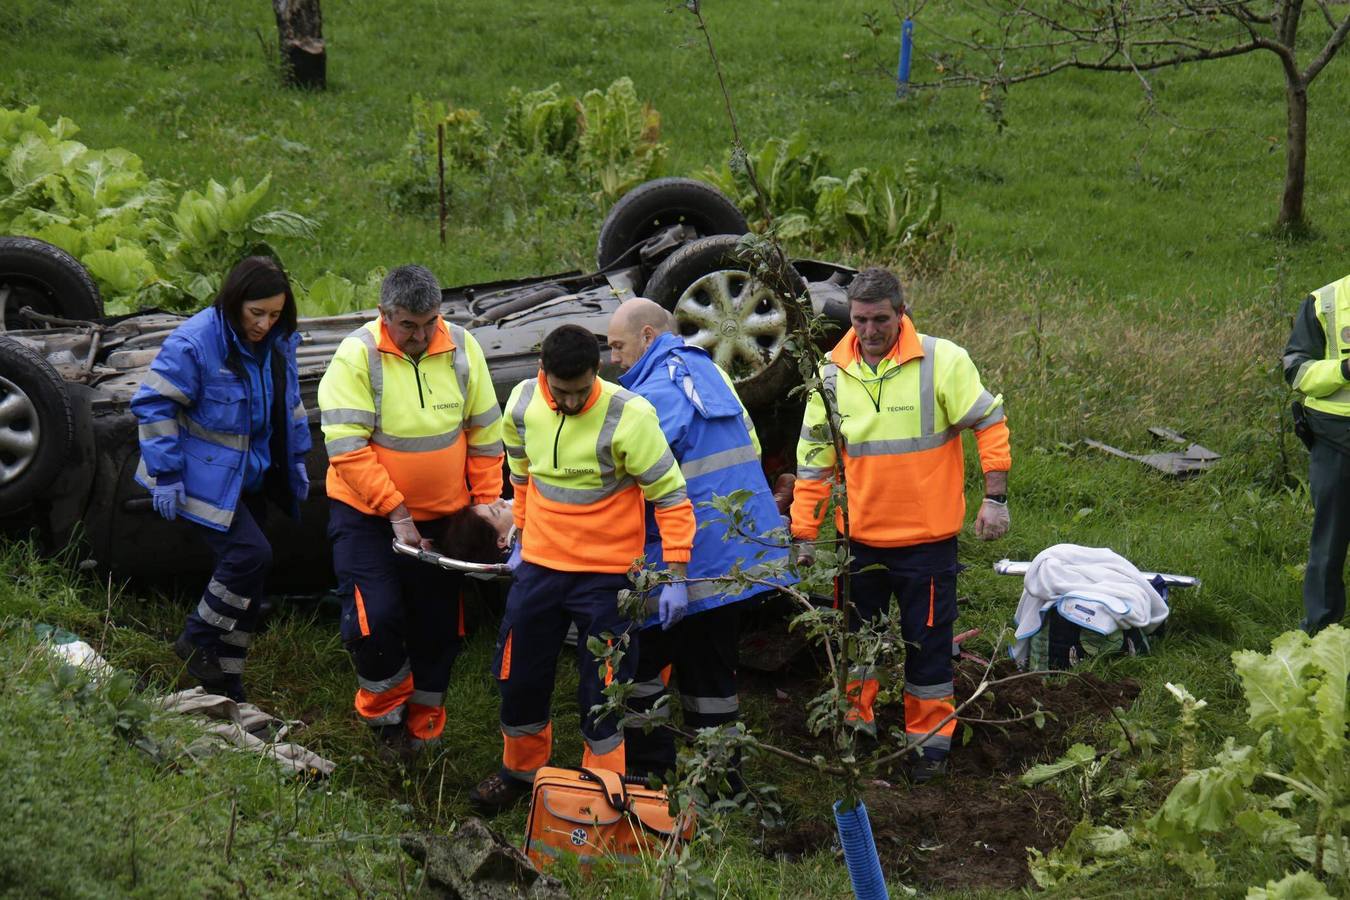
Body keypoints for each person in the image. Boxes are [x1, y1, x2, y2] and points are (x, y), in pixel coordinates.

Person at [790, 266, 1011, 782]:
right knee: (856, 645)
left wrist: (995, 498)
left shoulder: (941, 360)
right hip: (857, 544)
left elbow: (989, 422)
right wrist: (804, 534)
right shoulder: (828, 374)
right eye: (860, 320)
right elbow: (813, 463)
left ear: (901, 312)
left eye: (880, 320)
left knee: (928, 645)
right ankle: (855, 729)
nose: (869, 331)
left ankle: (929, 748)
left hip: (926, 547)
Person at [469, 323, 697, 812]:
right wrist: (524, 534)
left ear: (597, 372)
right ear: (542, 373)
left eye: (580, 392)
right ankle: (521, 774)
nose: (571, 403)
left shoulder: (629, 415)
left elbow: (672, 498)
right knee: (520, 675)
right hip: (541, 570)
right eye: (561, 392)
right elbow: (522, 476)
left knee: (605, 689)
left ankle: (600, 792)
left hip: (608, 578)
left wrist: (676, 573)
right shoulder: (522, 405)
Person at [318, 264, 504, 754]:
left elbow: (486, 436)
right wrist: (397, 513)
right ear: (384, 314)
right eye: (409, 326)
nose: (422, 336)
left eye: (430, 323)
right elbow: (347, 449)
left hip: (445, 515)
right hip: (368, 515)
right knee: (374, 617)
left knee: (439, 627)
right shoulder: (356, 356)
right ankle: (384, 721)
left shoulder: (463, 347)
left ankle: (423, 728)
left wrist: (485, 506)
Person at [607, 297, 793, 783]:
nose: (613, 359)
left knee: (639, 668)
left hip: (684, 555)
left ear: (648, 337)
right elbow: (749, 447)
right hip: (737, 553)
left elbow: (634, 479)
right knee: (712, 672)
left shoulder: (650, 395)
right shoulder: (708, 373)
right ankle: (722, 779)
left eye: (618, 346)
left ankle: (649, 775)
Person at [131, 256, 311, 703]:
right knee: (251, 558)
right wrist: (166, 473)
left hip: (249, 479)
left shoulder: (279, 342)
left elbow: (289, 406)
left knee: (248, 588)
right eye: (257, 313)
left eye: (274, 314)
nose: (265, 324)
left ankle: (225, 680)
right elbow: (153, 404)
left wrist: (298, 460)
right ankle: (196, 639)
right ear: (234, 303)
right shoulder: (195, 342)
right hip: (197, 482)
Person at [1283, 272, 1350, 635]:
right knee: (1328, 544)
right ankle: (1322, 635)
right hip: (1336, 441)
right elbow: (1296, 369)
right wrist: (1344, 370)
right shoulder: (1324, 301)